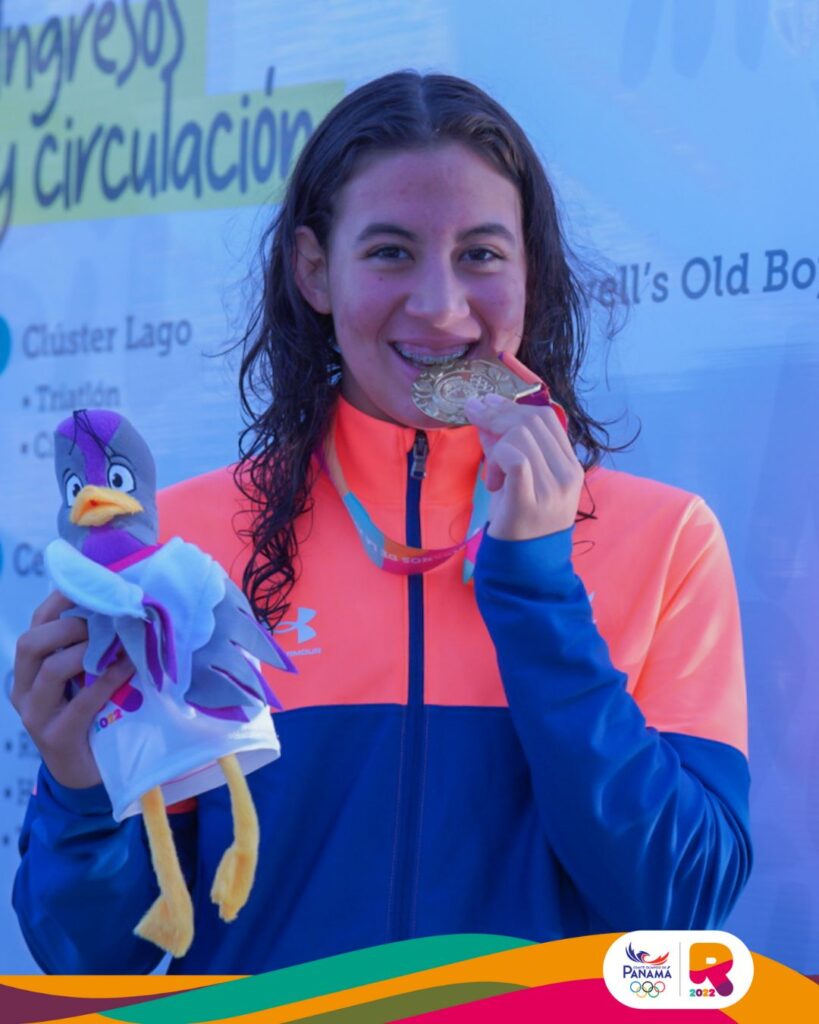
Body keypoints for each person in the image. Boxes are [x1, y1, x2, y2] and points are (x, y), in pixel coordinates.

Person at [12, 71, 751, 975]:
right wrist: (81, 790)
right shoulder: (187, 552)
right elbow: (97, 958)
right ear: (314, 270)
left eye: (481, 254)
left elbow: (677, 907)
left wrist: (538, 592)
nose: (439, 305)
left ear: (529, 270)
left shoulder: (665, 540)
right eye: (391, 252)